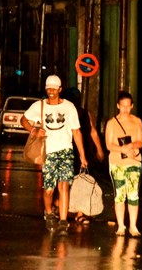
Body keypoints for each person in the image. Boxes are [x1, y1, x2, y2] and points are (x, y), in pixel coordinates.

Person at [20, 75, 90, 229]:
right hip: (48, 153)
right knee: (49, 190)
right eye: (49, 88)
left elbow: (76, 132)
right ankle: (49, 212)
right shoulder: (39, 106)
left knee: (64, 186)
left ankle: (63, 221)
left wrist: (82, 155)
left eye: (54, 88)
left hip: (66, 151)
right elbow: (23, 120)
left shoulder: (69, 107)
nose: (51, 91)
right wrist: (34, 130)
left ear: (60, 89)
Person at [105, 91, 142, 236]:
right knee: (120, 195)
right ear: (118, 106)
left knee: (133, 194)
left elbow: (140, 141)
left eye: (128, 106)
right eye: (123, 106)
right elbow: (109, 145)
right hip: (117, 163)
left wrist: (131, 146)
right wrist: (122, 149)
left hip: (134, 161)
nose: (125, 109)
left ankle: (133, 226)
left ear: (132, 106)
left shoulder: (137, 121)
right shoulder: (111, 123)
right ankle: (121, 226)